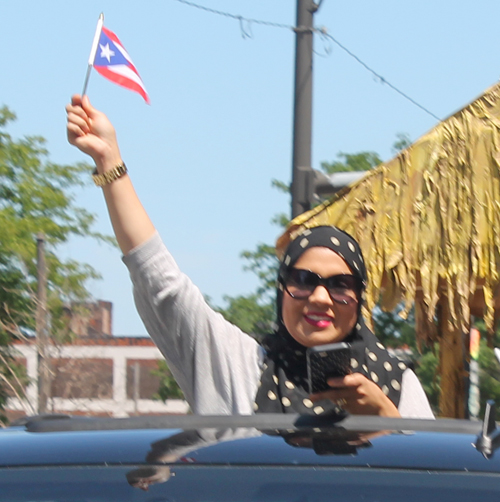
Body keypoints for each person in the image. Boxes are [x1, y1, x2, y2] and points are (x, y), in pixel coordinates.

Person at [66, 95, 434, 418]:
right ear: (281, 290)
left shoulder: (398, 384)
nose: (320, 298)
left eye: (340, 285)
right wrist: (109, 161)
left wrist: (386, 421)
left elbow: (431, 481)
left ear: (359, 298)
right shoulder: (241, 368)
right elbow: (160, 283)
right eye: (304, 282)